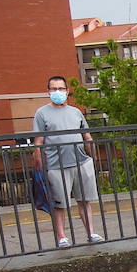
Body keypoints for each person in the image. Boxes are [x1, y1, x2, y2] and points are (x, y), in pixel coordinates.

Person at [32, 76, 103, 247]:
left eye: (61, 89)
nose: (58, 92)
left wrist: (93, 159)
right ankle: (61, 237)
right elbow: (38, 142)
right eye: (54, 89)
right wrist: (40, 167)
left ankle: (91, 233)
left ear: (67, 90)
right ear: (48, 91)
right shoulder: (42, 113)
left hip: (81, 162)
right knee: (59, 204)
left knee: (84, 201)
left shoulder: (76, 112)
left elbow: (87, 136)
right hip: (56, 165)